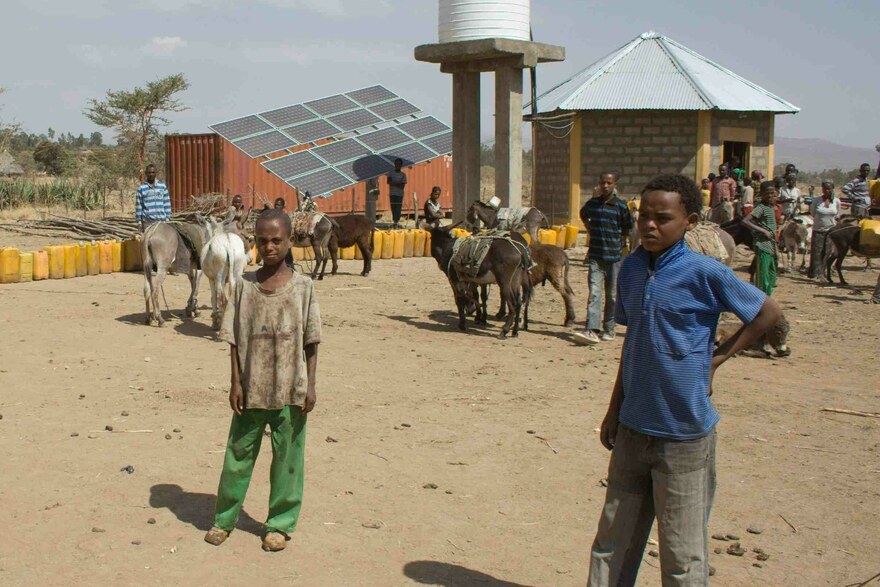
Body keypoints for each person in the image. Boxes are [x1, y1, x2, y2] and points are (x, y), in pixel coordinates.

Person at [587, 173, 781, 586]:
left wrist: (718, 359)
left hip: (684, 436)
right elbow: (633, 342)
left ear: (689, 221)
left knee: (681, 555)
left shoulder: (704, 273)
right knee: (611, 545)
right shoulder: (632, 269)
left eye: (662, 218)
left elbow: (768, 313)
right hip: (633, 430)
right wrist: (613, 409)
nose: (650, 226)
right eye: (643, 217)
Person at [204, 208, 321, 552]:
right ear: (254, 242)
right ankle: (224, 519)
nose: (270, 247)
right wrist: (235, 383)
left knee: (288, 460)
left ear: (289, 241)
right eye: (263, 240)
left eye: (277, 240)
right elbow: (234, 339)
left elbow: (312, 340)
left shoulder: (303, 288)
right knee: (237, 455)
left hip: (291, 390)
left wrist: (311, 385)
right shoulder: (244, 287)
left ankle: (279, 524)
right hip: (251, 388)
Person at [574, 171, 632, 345]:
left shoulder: (620, 206)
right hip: (595, 257)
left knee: (612, 295)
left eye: (608, 183)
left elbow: (627, 227)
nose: (605, 186)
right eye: (602, 183)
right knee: (595, 293)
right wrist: (589, 227)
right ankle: (591, 329)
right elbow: (583, 214)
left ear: (615, 185)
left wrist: (620, 242)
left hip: (614, 257)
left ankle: (609, 328)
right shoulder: (593, 204)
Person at [741, 181, 779, 296]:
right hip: (763, 244)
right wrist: (763, 231)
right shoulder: (761, 208)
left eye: (773, 194)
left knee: (771, 273)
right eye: (767, 194)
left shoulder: (770, 208)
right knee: (763, 275)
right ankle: (761, 298)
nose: (771, 196)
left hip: (770, 244)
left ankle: (767, 296)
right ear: (761, 194)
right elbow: (745, 221)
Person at [807, 179, 840, 278]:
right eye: (824, 189)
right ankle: (815, 273)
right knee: (816, 252)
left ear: (832, 189)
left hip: (830, 231)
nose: (826, 191)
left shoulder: (837, 201)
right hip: (818, 230)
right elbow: (813, 213)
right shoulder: (817, 201)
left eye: (829, 189)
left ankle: (824, 273)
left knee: (828, 252)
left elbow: (837, 214)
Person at [135, 164, 171, 231]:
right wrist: (139, 221)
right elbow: (139, 206)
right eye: (149, 172)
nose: (151, 174)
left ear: (156, 173)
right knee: (148, 240)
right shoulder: (141, 188)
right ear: (146, 173)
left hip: (161, 221)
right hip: (148, 222)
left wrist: (167, 218)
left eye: (153, 172)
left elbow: (166, 203)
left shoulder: (162, 187)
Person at [387, 158, 407, 228]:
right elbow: (389, 182)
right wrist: (398, 183)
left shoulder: (403, 175)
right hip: (392, 193)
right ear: (394, 164)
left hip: (399, 194)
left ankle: (396, 221)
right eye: (396, 164)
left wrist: (394, 183)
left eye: (399, 164)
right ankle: (394, 221)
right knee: (393, 207)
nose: (397, 165)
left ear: (401, 165)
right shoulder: (391, 173)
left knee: (398, 208)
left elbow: (402, 186)